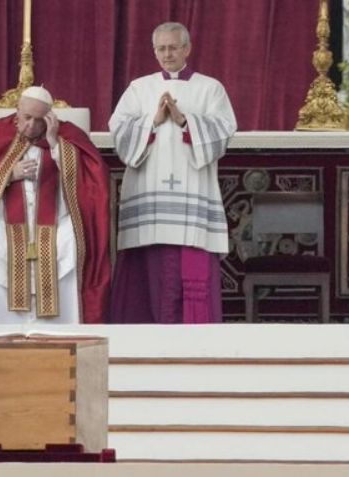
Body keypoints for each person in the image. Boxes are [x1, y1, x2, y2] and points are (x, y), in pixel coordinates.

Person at [0, 86, 111, 325]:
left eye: (39, 120)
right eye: (27, 118)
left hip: (55, 226)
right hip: (4, 224)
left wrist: (55, 145)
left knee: (69, 240)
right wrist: (6, 174)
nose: (31, 126)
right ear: (17, 111)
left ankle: (63, 331)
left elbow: (92, 183)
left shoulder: (66, 136)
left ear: (49, 117)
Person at [108, 22, 237, 324]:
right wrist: (152, 122)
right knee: (148, 269)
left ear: (186, 49)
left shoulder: (210, 88)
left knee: (189, 263)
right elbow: (119, 131)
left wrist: (183, 120)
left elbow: (223, 132)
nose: (167, 54)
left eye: (173, 47)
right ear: (154, 52)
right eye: (161, 48)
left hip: (193, 195)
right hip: (148, 194)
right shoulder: (139, 88)